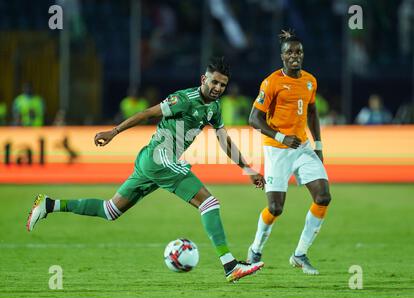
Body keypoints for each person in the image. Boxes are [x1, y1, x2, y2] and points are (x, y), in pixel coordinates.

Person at [26, 57, 265, 283]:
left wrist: (246, 168)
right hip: (159, 158)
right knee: (209, 203)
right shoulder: (184, 99)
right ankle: (230, 266)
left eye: (222, 84)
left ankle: (49, 205)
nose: (218, 87)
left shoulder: (214, 108)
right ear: (204, 79)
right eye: (214, 82)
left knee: (110, 210)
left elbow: (224, 140)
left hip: (151, 162)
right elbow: (146, 113)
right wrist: (114, 132)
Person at [246, 30, 331, 275]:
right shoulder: (271, 82)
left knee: (323, 196)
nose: (294, 56)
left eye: (298, 51)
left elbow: (312, 112)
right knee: (275, 208)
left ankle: (300, 254)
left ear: (302, 54)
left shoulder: (310, 81)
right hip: (277, 150)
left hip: (303, 148)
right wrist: (282, 137)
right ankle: (255, 249)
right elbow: (253, 118)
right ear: (282, 57)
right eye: (289, 52)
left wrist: (318, 145)